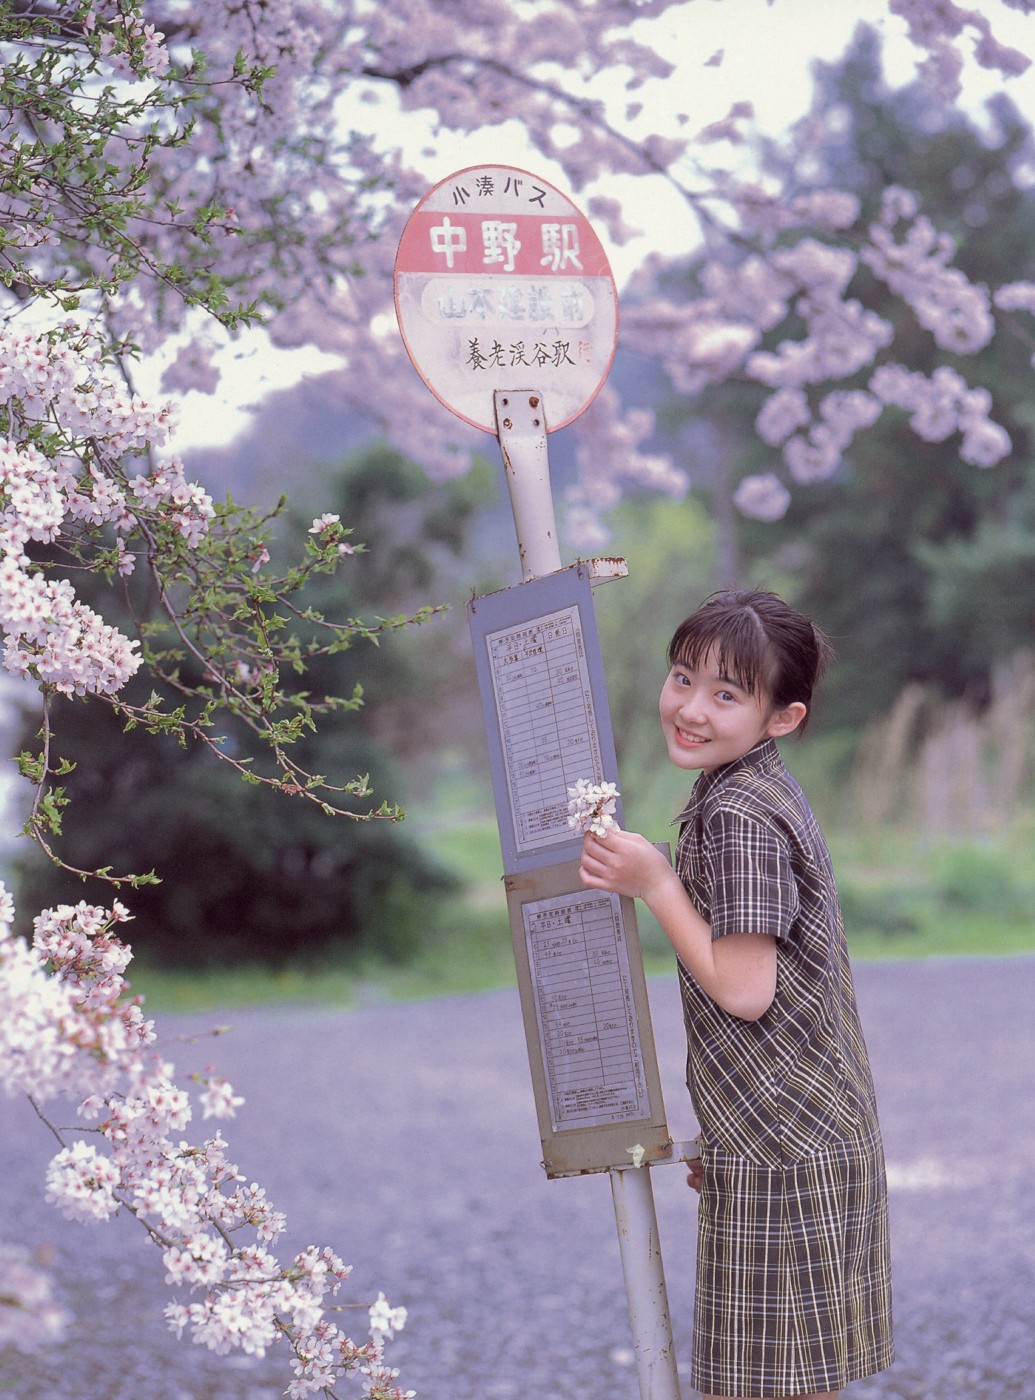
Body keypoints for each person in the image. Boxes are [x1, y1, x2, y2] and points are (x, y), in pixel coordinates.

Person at [579, 589, 893, 1400]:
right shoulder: (746, 789)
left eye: (726, 694)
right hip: (792, 1136)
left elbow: (745, 991)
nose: (689, 708)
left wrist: (652, 881)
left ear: (780, 717)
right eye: (682, 678)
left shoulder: (740, 816)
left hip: (787, 1151)